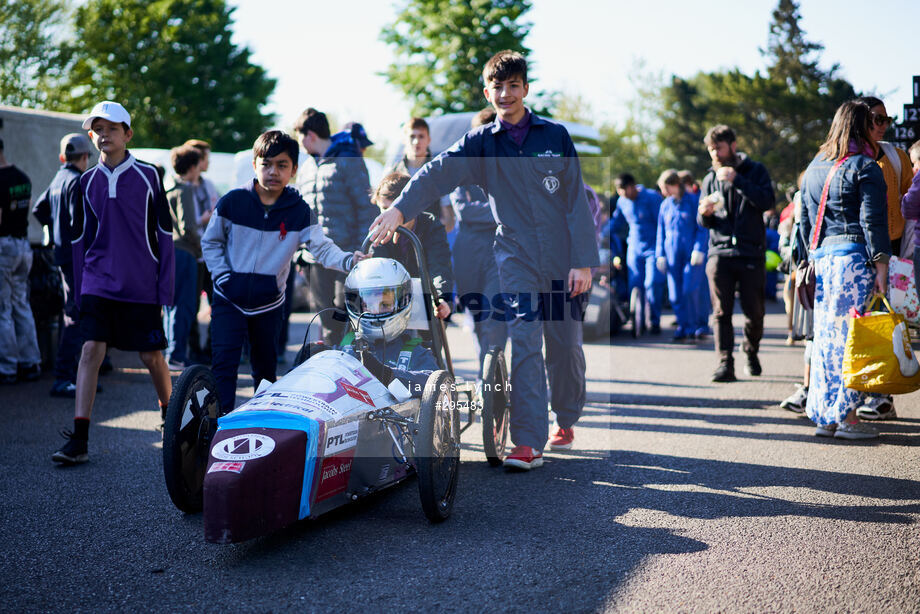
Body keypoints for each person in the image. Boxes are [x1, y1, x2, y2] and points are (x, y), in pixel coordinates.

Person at [369, 50, 598, 470]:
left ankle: (566, 414)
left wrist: (583, 262)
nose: (505, 93)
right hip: (515, 255)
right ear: (487, 91)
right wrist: (400, 209)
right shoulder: (480, 143)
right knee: (526, 342)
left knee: (564, 349)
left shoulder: (554, 136)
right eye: (497, 86)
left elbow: (576, 204)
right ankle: (528, 443)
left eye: (513, 85)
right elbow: (436, 172)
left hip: (564, 258)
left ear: (526, 89)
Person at [202, 130, 362, 414]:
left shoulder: (300, 210)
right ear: (254, 165)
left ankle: (260, 432)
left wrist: (350, 261)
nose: (273, 171)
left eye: (282, 165)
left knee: (265, 372)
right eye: (266, 164)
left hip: (270, 304)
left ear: (294, 170)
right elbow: (211, 242)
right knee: (224, 367)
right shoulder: (232, 201)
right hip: (228, 300)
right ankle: (218, 432)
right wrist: (223, 276)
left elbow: (322, 249)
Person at [52, 101, 175, 464]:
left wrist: (164, 288)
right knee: (90, 349)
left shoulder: (150, 176)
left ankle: (170, 414)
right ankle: (80, 438)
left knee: (151, 356)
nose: (104, 135)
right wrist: (76, 292)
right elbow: (77, 242)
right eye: (98, 129)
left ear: (128, 134)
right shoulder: (83, 182)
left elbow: (164, 234)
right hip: (98, 283)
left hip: (141, 285)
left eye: (112, 128)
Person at [799, 100, 889, 440]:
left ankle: (827, 417)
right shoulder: (865, 166)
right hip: (853, 262)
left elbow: (806, 222)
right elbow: (873, 221)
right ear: (862, 126)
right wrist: (881, 265)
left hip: (822, 261)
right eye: (875, 121)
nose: (880, 127)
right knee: (853, 339)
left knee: (825, 340)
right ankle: (849, 416)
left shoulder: (814, 167)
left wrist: (807, 260)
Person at [697, 124, 775, 382]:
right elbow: (705, 222)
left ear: (732, 145)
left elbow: (767, 202)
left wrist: (737, 179)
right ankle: (724, 363)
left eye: (718, 148)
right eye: (710, 149)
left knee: (755, 311)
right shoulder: (709, 178)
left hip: (751, 252)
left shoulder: (756, 170)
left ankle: (750, 350)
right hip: (719, 253)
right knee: (721, 312)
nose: (715, 154)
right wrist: (704, 214)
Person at [852, 97, 913, 421]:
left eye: (885, 119)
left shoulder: (895, 154)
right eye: (875, 119)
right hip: (854, 248)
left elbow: (909, 197)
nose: (881, 125)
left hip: (890, 248)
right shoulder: (846, 154)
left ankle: (882, 395)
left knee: (885, 321)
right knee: (859, 321)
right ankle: (862, 390)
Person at [295, 258, 439, 395]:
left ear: (403, 301)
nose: (375, 311)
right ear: (357, 305)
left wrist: (385, 374)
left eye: (384, 304)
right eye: (369, 304)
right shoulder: (346, 347)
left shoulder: (416, 353)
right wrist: (317, 357)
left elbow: (438, 386)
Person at [294, 108, 377, 345]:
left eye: (300, 137)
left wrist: (363, 249)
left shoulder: (349, 159)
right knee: (325, 317)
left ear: (310, 135)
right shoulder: (307, 167)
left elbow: (366, 207)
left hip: (347, 254)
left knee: (348, 314)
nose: (300, 144)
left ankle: (353, 369)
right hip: (313, 258)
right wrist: (300, 252)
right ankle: (332, 371)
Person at [32, 134, 92, 396]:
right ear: (86, 157)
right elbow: (81, 225)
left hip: (62, 255)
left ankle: (78, 376)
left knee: (75, 313)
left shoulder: (58, 179)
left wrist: (52, 231)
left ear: (62, 157)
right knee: (75, 315)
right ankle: (64, 377)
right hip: (77, 258)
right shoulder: (78, 182)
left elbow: (38, 209)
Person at [449, 108, 509, 369]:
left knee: (495, 319)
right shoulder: (462, 169)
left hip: (500, 250)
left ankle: (493, 377)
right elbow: (463, 209)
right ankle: (486, 374)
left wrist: (491, 212)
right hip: (468, 252)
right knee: (475, 319)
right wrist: (500, 211)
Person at [371, 172, 453, 320]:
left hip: (425, 301)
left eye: (395, 210)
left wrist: (442, 298)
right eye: (384, 209)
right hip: (388, 303)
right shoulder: (378, 229)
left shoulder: (431, 226)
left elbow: (439, 266)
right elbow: (375, 266)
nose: (389, 217)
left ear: (412, 206)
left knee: (433, 324)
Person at [0, 138, 42, 385]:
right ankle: (31, 361)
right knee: (21, 305)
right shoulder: (22, 177)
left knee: (3, 309)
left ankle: (7, 367)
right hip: (23, 246)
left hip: (4, 247)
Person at [608, 173, 665, 336]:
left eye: (624, 190)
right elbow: (616, 222)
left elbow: (662, 224)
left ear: (632, 186)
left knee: (652, 283)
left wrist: (662, 250)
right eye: (619, 191)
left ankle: (655, 321)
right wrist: (600, 232)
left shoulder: (652, 198)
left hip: (653, 246)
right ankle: (637, 319)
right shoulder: (622, 201)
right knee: (635, 282)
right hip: (634, 246)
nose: (623, 195)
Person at [654, 169, 708, 342]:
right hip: (671, 255)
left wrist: (699, 249)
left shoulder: (693, 201)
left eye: (666, 188)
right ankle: (683, 327)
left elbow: (702, 228)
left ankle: (695, 326)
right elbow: (660, 232)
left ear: (676, 185)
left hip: (691, 254)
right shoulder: (665, 205)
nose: (664, 192)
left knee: (690, 290)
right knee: (675, 294)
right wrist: (660, 255)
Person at [163, 145, 203, 370]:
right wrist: (199, 247)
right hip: (184, 253)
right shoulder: (185, 189)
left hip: (167, 251)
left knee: (170, 305)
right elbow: (188, 226)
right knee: (185, 305)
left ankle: (171, 352)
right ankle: (178, 354)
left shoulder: (166, 188)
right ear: (192, 167)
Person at [182, 139, 220, 363]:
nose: (208, 161)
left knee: (217, 302)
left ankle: (210, 350)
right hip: (192, 254)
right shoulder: (181, 188)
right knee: (191, 304)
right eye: (206, 157)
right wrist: (202, 219)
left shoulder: (208, 185)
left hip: (210, 256)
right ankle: (193, 350)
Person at [388, 117, 454, 228]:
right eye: (412, 136)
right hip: (399, 240)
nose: (416, 141)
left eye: (421, 136)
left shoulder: (439, 173)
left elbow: (449, 220)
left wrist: (432, 234)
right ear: (404, 140)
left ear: (429, 140)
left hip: (429, 241)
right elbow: (384, 210)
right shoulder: (392, 173)